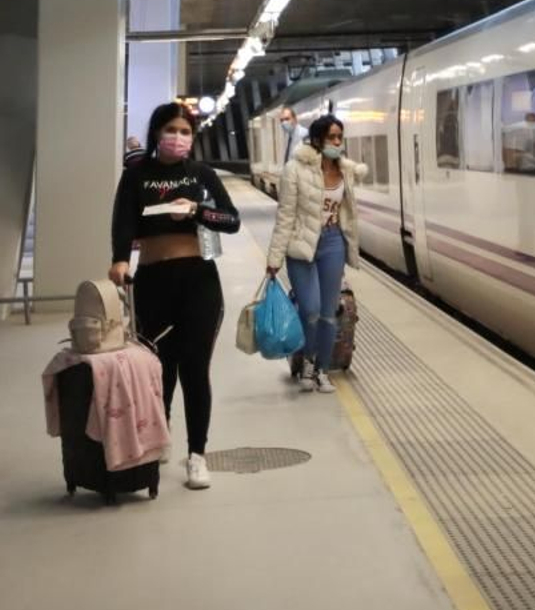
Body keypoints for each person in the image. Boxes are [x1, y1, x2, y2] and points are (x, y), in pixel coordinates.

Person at [109, 103, 241, 490]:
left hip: (200, 282)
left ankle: (197, 455)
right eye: (171, 130)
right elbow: (122, 221)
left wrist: (198, 211)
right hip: (153, 281)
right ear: (156, 133)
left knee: (195, 370)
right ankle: (160, 434)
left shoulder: (201, 175)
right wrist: (119, 260)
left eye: (185, 131)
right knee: (159, 368)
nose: (178, 137)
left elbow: (231, 220)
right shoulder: (136, 175)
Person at [266, 115, 368, 394]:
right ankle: (307, 364)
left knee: (328, 314)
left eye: (339, 137)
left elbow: (348, 212)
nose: (337, 142)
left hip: (333, 242)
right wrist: (274, 259)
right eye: (331, 137)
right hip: (302, 245)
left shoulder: (345, 171)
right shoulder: (294, 170)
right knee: (310, 311)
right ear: (317, 139)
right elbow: (285, 216)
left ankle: (323, 370)